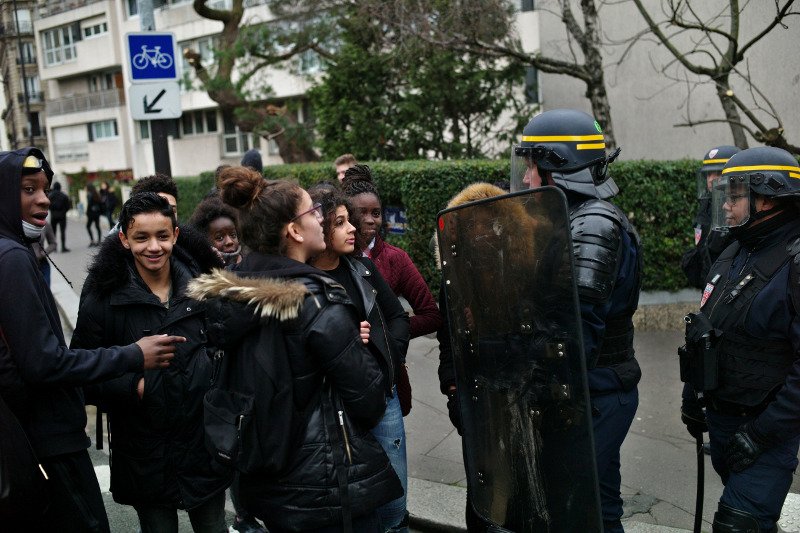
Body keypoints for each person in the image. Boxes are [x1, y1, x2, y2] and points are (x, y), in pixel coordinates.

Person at [187, 166, 402, 532]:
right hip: (325, 484)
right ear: (294, 230)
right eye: (312, 213)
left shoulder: (232, 296)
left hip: (266, 481)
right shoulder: (317, 301)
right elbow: (368, 399)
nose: (321, 218)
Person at [0, 147, 182, 532]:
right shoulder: (11, 258)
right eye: (28, 189)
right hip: (48, 442)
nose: (43, 199)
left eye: (45, 188)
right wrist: (133, 356)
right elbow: (44, 363)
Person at [509, 109, 642, 533]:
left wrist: (528, 374)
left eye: (532, 165)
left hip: (594, 395)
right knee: (600, 512)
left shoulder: (593, 226)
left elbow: (575, 335)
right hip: (596, 392)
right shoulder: (577, 219)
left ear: (558, 165)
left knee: (573, 516)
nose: (527, 179)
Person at [71, 192, 229, 532]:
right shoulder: (102, 294)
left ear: (175, 234)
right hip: (143, 450)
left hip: (204, 444)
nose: (153, 247)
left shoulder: (205, 285)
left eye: (162, 236)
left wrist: (213, 381)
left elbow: (229, 348)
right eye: (141, 237)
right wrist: (133, 385)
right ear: (124, 239)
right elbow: (80, 368)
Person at [680, 146, 800, 533]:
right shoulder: (732, 250)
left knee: (738, 524)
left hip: (767, 430)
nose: (726, 206)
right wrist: (692, 394)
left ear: (766, 198)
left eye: (734, 195)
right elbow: (706, 326)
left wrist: (762, 433)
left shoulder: (795, 259)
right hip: (723, 418)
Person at [309, 188, 411, 533]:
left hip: (383, 397)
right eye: (340, 223)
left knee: (395, 504)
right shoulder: (302, 281)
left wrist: (386, 355)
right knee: (354, 506)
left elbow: (399, 319)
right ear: (317, 228)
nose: (353, 228)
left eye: (348, 220)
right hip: (335, 406)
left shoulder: (363, 269)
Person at [341, 165, 442, 420]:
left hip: (387, 376)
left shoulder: (396, 259)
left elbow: (431, 314)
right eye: (360, 212)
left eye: (376, 213)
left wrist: (387, 335)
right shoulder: (330, 259)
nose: (370, 219)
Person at [681, 146, 741, 289]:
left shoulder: (740, 208)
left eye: (718, 173)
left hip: (729, 283)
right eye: (708, 174)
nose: (710, 179)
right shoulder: (706, 204)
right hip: (708, 279)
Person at [188, 195, 244, 266]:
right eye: (219, 238)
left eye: (233, 235)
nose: (229, 242)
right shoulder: (197, 270)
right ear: (204, 241)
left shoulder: (251, 265)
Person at [48, 181, 71, 252]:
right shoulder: (64, 195)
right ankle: (63, 247)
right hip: (62, 216)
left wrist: (52, 210)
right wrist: (64, 211)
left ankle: (54, 247)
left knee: (53, 232)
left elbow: (48, 205)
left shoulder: (50, 195)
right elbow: (68, 206)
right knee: (62, 231)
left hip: (53, 216)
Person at [32, 220, 56, 286]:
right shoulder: (19, 223)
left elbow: (53, 244)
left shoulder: (45, 224)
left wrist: (42, 254)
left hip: (42, 264)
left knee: (46, 293)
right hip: (26, 265)